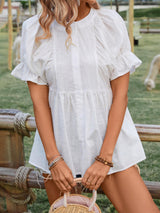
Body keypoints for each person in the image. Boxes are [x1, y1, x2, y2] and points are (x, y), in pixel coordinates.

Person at [11, 0, 160, 212]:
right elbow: (40, 104)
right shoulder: (34, 29)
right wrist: (54, 160)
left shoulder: (109, 23)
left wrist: (104, 160)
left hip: (109, 148)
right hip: (59, 150)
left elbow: (120, 96)